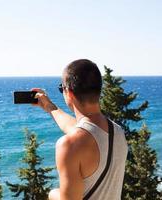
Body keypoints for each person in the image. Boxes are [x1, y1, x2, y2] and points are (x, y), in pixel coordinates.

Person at [32, 59, 128, 200]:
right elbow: (80, 129)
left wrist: (52, 194)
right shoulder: (117, 132)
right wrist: (49, 106)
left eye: (61, 88)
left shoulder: (69, 145)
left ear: (69, 93)